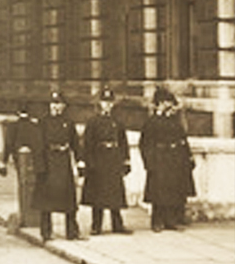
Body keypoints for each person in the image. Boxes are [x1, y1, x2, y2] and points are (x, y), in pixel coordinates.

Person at [140, 87, 196, 232]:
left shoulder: (174, 121)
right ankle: (157, 221)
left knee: (172, 191)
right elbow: (144, 144)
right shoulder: (152, 122)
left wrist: (188, 157)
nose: (167, 105)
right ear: (158, 104)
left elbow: (182, 139)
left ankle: (170, 220)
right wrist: (149, 162)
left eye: (169, 102)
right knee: (158, 193)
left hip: (174, 159)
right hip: (159, 159)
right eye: (164, 102)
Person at [80, 87, 132, 235]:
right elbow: (87, 144)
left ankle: (118, 225)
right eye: (104, 102)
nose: (107, 105)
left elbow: (123, 142)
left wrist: (126, 161)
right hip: (98, 161)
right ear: (100, 103)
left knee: (115, 194)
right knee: (98, 194)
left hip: (114, 160)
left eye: (110, 102)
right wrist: (87, 163)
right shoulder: (93, 122)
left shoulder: (117, 122)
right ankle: (96, 225)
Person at [33, 91, 83, 241]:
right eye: (53, 104)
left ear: (63, 106)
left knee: (69, 201)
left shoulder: (68, 123)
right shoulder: (43, 123)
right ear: (50, 106)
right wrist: (40, 168)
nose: (56, 107)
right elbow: (38, 146)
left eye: (59, 104)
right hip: (48, 163)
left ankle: (72, 232)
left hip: (64, 162)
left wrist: (80, 162)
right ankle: (46, 232)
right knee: (46, 202)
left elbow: (75, 144)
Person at [0, 102, 41, 228]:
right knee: (34, 186)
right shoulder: (35, 126)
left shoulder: (13, 127)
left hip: (20, 160)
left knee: (22, 184)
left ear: (17, 113)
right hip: (35, 161)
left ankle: (24, 214)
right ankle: (32, 215)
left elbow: (9, 145)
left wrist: (3, 161)